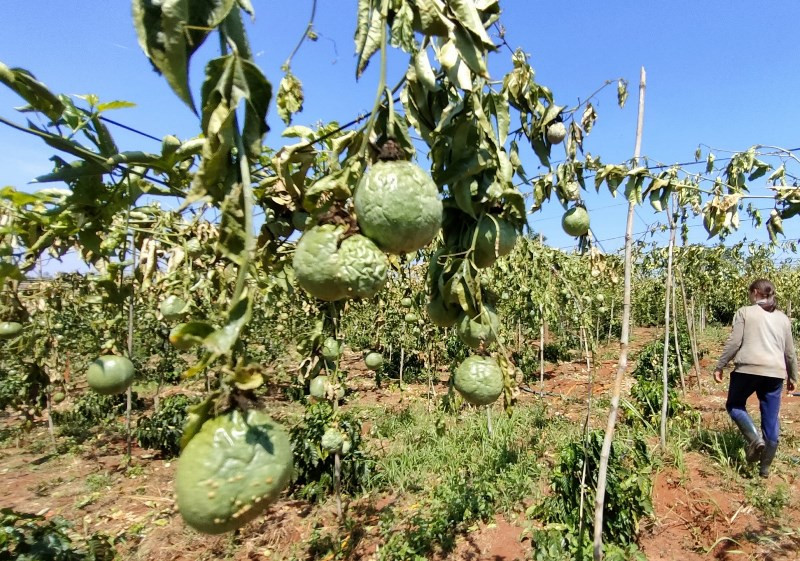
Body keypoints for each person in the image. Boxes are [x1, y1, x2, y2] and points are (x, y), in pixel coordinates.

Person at [713, 279, 798, 478]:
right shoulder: (783, 319)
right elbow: (790, 352)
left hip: (747, 370)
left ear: (755, 293)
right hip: (775, 373)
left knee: (734, 405)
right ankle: (764, 469)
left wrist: (720, 365)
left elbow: (735, 342)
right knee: (770, 418)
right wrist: (793, 376)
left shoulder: (745, 312)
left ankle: (754, 440)